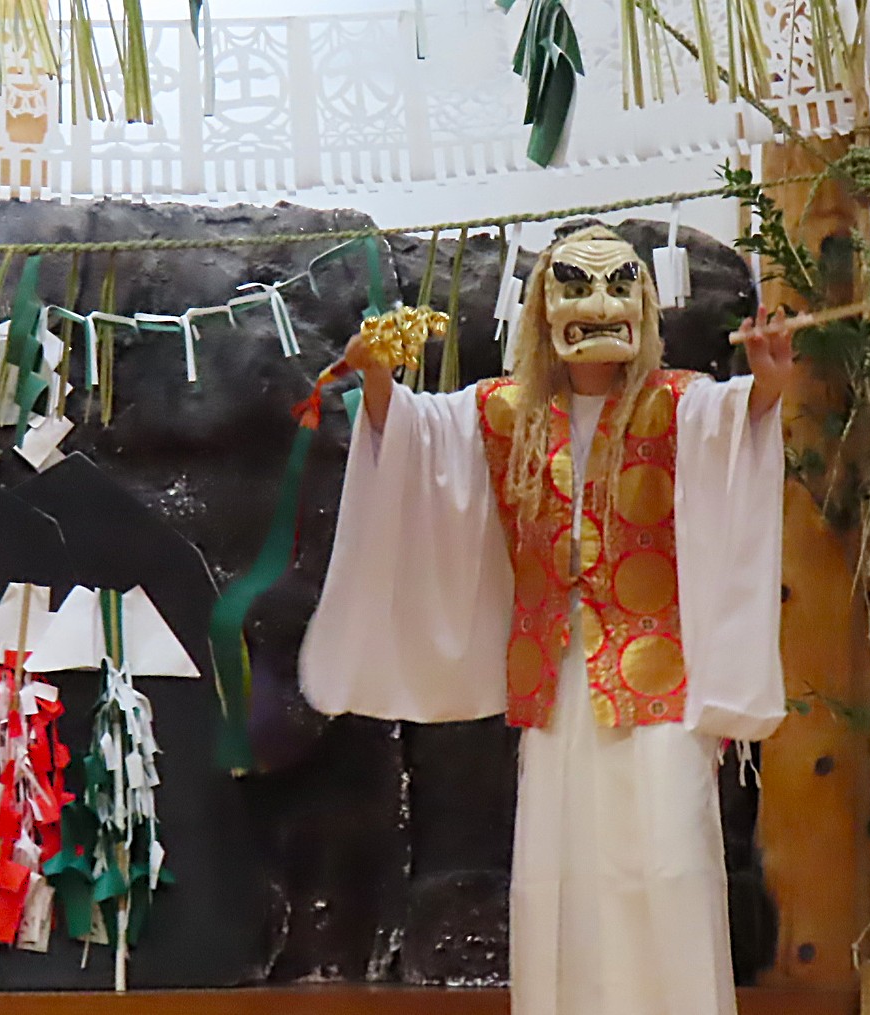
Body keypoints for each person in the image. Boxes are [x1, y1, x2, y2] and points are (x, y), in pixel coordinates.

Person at [299, 223, 791, 1015]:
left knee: (670, 858)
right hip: (558, 680)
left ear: (641, 307)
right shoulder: (506, 411)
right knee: (566, 875)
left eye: (617, 286)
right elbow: (416, 436)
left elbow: (738, 425)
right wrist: (379, 376)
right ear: (542, 309)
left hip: (657, 675)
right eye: (575, 286)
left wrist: (767, 382)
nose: (597, 305)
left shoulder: (677, 402)